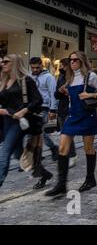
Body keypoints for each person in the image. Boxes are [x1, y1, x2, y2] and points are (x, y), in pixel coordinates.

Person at [45, 51, 97, 196]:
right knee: (62, 148)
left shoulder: (90, 76)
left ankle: (90, 179)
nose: (72, 62)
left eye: (75, 60)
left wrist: (91, 95)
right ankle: (61, 185)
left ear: (82, 61)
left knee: (88, 148)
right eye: (71, 60)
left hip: (88, 115)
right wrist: (63, 92)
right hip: (72, 116)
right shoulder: (70, 77)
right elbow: (63, 95)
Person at [0, 54, 52, 189]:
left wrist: (23, 111)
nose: (3, 64)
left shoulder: (26, 80)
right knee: (18, 154)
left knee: (4, 152)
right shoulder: (4, 80)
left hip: (21, 122)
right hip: (6, 121)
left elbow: (38, 100)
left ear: (15, 63)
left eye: (6, 62)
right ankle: (43, 173)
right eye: (2, 62)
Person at [29, 57, 59, 161]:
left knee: (40, 131)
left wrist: (53, 109)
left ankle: (51, 148)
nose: (35, 70)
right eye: (33, 68)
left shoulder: (49, 77)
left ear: (42, 65)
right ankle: (41, 152)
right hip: (31, 108)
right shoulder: (29, 77)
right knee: (32, 132)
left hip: (44, 107)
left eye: (37, 67)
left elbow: (53, 93)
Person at [54, 58, 77, 168]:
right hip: (62, 108)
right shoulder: (61, 77)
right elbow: (56, 95)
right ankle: (66, 154)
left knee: (67, 133)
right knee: (64, 133)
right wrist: (60, 90)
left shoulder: (75, 77)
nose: (61, 68)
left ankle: (71, 155)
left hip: (72, 109)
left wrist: (69, 91)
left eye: (63, 65)